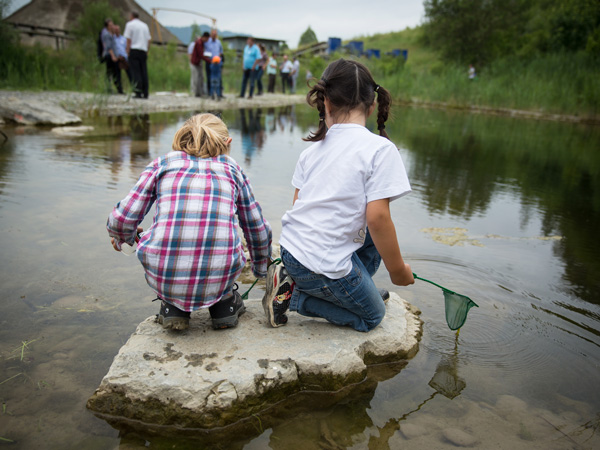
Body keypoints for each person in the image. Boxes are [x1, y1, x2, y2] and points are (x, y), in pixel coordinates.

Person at [262, 58, 414, 332]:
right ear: (372, 106)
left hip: (292, 252)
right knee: (372, 316)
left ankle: (352, 293)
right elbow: (378, 218)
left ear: (326, 103)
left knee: (367, 233)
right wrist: (398, 270)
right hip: (315, 266)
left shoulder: (311, 151)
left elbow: (299, 206)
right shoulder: (380, 149)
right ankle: (292, 297)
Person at [107, 113, 272, 331]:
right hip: (220, 274)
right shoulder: (232, 169)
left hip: (164, 274)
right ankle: (224, 304)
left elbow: (121, 220)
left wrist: (126, 238)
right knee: (223, 246)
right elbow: (257, 228)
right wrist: (261, 269)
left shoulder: (163, 164)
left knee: (160, 238)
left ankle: (173, 307)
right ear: (228, 143)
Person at [124, 11, 151, 99]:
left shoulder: (130, 24)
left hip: (134, 49)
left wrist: (127, 51)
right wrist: (147, 50)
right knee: (144, 71)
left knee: (136, 72)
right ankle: (145, 92)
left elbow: (128, 39)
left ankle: (138, 92)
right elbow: (149, 40)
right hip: (143, 50)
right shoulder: (144, 25)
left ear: (131, 16)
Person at [100, 18, 122, 94]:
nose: (112, 26)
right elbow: (108, 47)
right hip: (110, 56)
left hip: (113, 55)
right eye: (110, 25)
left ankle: (118, 89)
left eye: (112, 24)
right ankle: (110, 88)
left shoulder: (111, 34)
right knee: (110, 72)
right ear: (107, 26)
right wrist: (113, 56)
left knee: (114, 73)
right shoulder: (106, 34)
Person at [204, 29, 224, 98]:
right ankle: (210, 93)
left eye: (215, 34)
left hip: (218, 63)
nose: (214, 35)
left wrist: (219, 55)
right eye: (213, 34)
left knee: (219, 78)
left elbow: (221, 51)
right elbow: (204, 50)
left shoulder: (218, 42)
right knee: (209, 78)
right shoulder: (207, 42)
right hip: (210, 62)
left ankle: (219, 94)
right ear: (211, 34)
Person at [190, 32, 211, 97]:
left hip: (199, 63)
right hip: (195, 63)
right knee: (196, 78)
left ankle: (200, 93)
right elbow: (201, 55)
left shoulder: (202, 43)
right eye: (207, 39)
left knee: (201, 78)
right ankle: (196, 93)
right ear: (205, 37)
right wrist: (209, 61)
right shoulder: (199, 43)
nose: (207, 41)